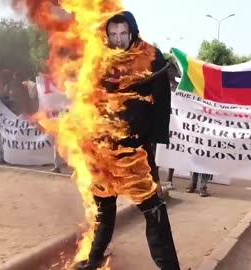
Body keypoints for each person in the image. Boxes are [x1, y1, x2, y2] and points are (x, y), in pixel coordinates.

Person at [73, 11, 180, 270]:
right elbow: (92, 99)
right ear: (107, 35)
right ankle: (94, 259)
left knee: (153, 209)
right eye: (113, 34)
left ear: (132, 32)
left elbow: (162, 103)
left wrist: (152, 141)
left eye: (123, 33)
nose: (118, 40)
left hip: (135, 149)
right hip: (104, 146)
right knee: (103, 207)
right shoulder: (101, 60)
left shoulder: (151, 57)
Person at [164, 63, 180, 190]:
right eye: (167, 69)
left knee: (172, 150)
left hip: (176, 124)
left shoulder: (179, 88)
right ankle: (154, 178)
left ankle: (169, 179)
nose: (169, 72)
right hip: (162, 121)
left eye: (171, 69)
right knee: (156, 151)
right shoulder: (161, 86)